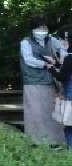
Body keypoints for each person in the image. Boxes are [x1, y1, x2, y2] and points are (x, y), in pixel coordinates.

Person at [20, 15, 65, 144]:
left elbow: (63, 49)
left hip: (50, 81)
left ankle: (55, 141)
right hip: (32, 82)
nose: (43, 30)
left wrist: (59, 60)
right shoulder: (25, 42)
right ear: (33, 29)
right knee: (35, 112)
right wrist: (45, 64)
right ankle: (36, 142)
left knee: (51, 112)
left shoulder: (52, 40)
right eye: (40, 27)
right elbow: (28, 60)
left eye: (45, 27)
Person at [54, 37, 72, 149]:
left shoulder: (69, 58)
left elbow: (62, 77)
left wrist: (51, 68)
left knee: (70, 125)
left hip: (70, 95)